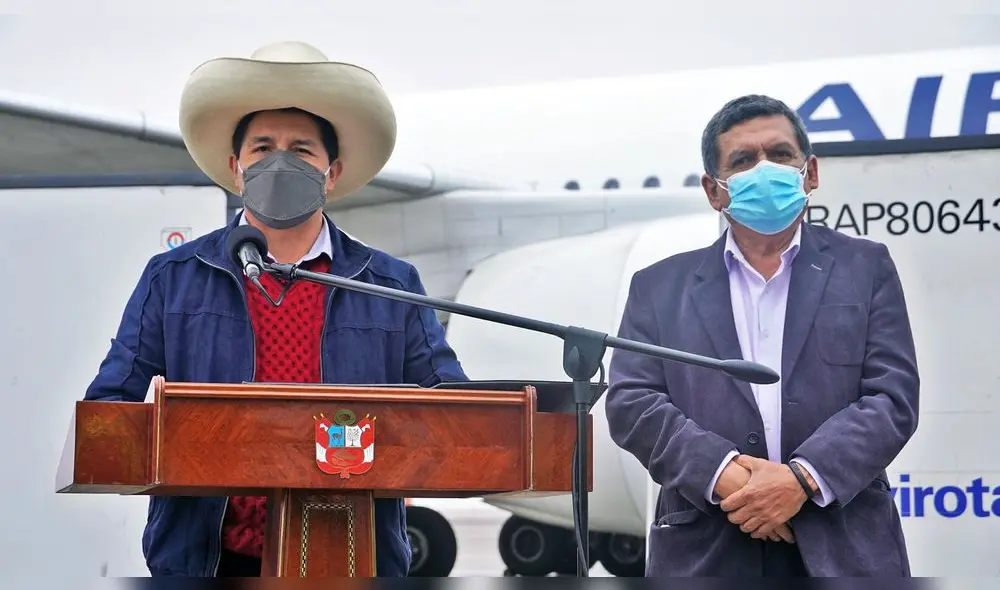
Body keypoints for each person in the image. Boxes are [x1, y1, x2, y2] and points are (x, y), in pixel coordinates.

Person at [83, 41, 467, 578]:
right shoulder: (172, 279)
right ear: (236, 166)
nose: (279, 161)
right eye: (263, 147)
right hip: (206, 563)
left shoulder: (391, 285)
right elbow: (109, 410)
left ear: (331, 173)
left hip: (352, 559)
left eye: (301, 150)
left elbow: (456, 413)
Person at [604, 94, 919, 577]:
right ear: (715, 190)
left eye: (780, 154)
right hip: (708, 552)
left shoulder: (866, 268)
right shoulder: (658, 288)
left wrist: (799, 482)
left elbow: (892, 397)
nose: (765, 169)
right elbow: (632, 402)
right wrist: (729, 477)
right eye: (745, 160)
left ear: (809, 172)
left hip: (844, 549)